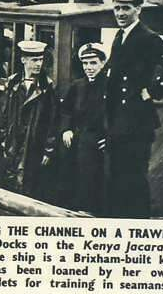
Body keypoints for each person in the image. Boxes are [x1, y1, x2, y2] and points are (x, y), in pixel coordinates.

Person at [106, 0, 163, 218]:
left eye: (126, 8)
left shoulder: (146, 37)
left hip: (136, 123)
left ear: (138, 9)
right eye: (117, 8)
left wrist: (153, 90)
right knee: (119, 178)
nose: (120, 13)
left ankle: (138, 224)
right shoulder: (120, 37)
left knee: (134, 180)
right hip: (118, 122)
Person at [0, 40, 58, 201]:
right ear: (23, 60)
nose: (39, 64)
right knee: (9, 180)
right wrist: (4, 139)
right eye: (34, 60)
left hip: (33, 142)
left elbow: (52, 121)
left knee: (28, 183)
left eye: (41, 59)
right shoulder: (12, 83)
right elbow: (4, 115)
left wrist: (48, 149)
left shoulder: (47, 87)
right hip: (13, 140)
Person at [60, 43, 108, 215]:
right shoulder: (77, 86)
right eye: (85, 63)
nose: (89, 68)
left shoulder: (111, 87)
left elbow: (119, 116)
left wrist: (110, 138)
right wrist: (66, 129)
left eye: (93, 63)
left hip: (100, 145)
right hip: (77, 141)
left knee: (95, 182)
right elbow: (66, 111)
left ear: (103, 63)